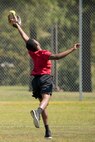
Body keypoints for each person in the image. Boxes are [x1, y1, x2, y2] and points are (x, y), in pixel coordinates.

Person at [10, 19, 80, 139]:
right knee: (46, 99)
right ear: (37, 45)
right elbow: (57, 57)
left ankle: (47, 131)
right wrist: (72, 49)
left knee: (43, 104)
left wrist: (18, 26)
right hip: (45, 78)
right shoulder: (43, 53)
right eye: (35, 41)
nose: (36, 40)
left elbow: (26, 39)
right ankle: (37, 112)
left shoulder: (32, 52)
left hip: (36, 81)